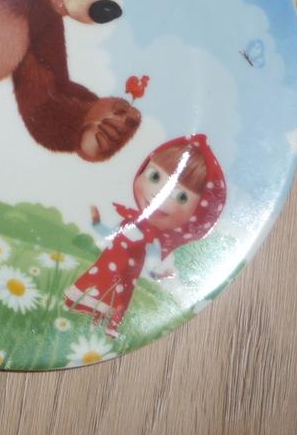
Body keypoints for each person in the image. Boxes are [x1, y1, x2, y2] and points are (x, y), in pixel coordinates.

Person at [63, 135, 227, 339]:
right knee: (92, 289)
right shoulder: (130, 221)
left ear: (196, 212)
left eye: (181, 196)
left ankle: (96, 327)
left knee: (110, 302)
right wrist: (96, 223)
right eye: (155, 177)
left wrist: (159, 273)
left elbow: (152, 263)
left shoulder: (152, 238)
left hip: (122, 280)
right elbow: (110, 235)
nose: (159, 194)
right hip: (103, 267)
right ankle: (78, 317)